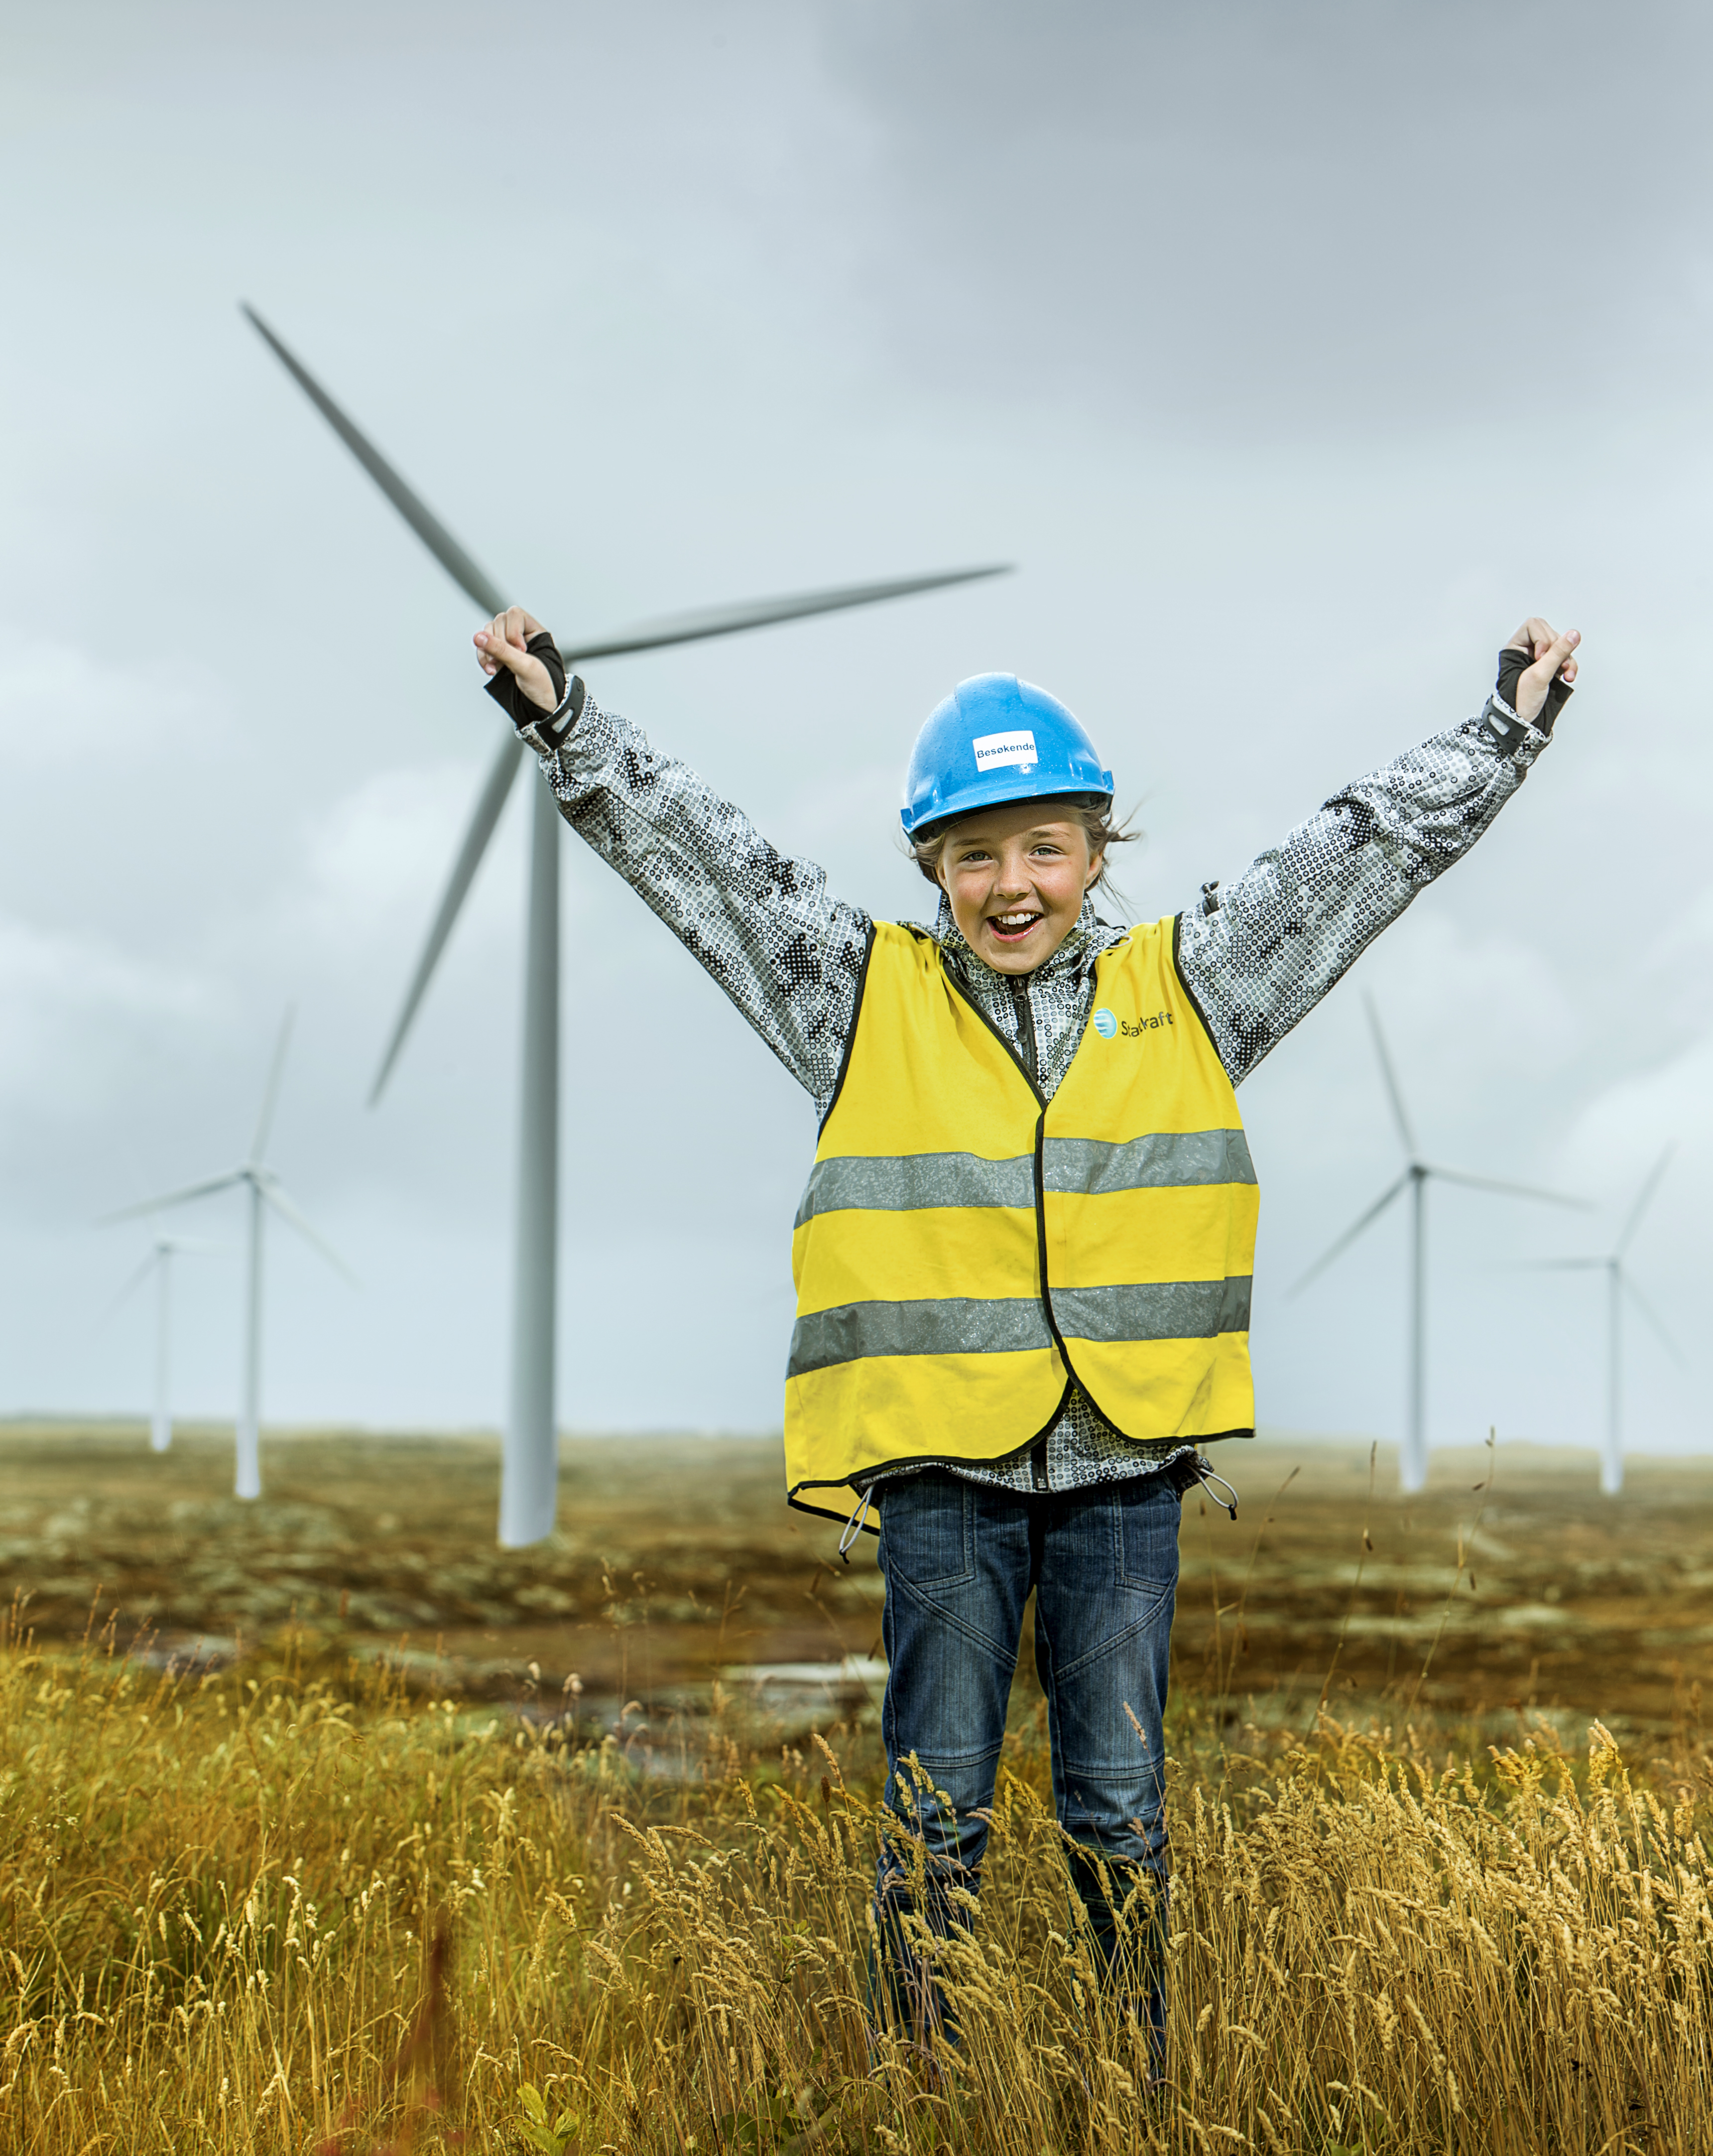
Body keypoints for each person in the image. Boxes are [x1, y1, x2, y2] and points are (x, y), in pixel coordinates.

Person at [473, 607, 1581, 2068]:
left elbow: (1365, 851)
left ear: (1099, 851)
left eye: (1047, 848)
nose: (1014, 885)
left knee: (1119, 1798)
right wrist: (570, 728)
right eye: (977, 855)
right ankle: (919, 2075)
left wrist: (1501, 737)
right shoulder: (852, 993)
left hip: (1124, 1470)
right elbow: (703, 861)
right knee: (939, 1804)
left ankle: (1138, 2074)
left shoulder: (1193, 982)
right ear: (930, 864)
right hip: (944, 1480)